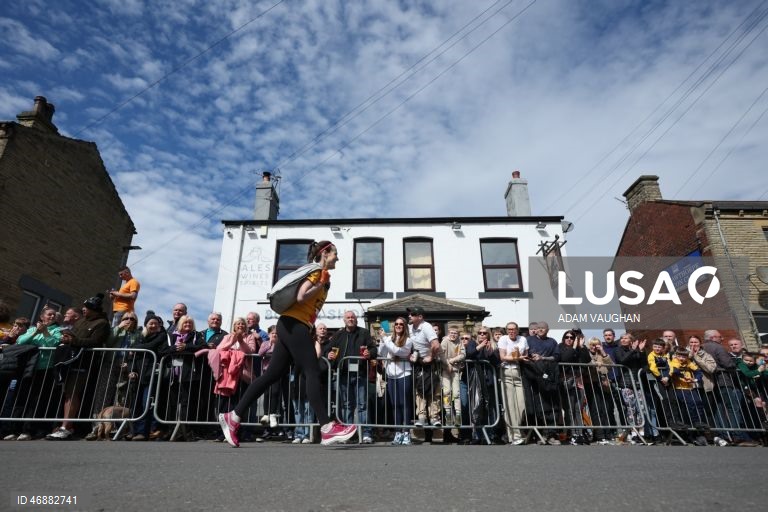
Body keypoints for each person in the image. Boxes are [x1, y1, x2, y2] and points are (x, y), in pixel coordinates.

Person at [219, 240, 358, 447]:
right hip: (294, 325)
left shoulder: (322, 275)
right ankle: (327, 427)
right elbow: (302, 296)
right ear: (324, 253)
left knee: (272, 375)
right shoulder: (317, 272)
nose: (337, 258)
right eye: (335, 253)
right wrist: (320, 283)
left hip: (290, 324)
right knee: (312, 371)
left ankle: (234, 416)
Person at [47, 294, 110, 440]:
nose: (84, 309)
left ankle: (66, 427)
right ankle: (66, 425)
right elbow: (74, 336)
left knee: (73, 393)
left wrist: (73, 340)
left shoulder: (102, 323)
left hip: (84, 362)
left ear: (94, 310)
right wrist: (67, 337)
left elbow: (95, 342)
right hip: (71, 360)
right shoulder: (81, 321)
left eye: (86, 308)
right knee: (68, 394)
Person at [84, 312, 144, 440]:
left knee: (122, 397)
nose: (129, 320)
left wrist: (129, 365)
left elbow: (138, 351)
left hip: (126, 365)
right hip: (110, 363)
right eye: (126, 318)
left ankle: (117, 429)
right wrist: (119, 328)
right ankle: (96, 428)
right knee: (103, 395)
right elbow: (108, 342)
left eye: (132, 318)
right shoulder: (115, 330)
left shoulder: (138, 334)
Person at [6, 307, 61, 440]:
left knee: (35, 400)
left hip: (44, 369)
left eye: (54, 315)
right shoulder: (31, 329)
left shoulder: (57, 330)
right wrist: (36, 332)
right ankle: (13, 429)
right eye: (49, 314)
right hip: (27, 368)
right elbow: (21, 341)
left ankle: (27, 430)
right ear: (42, 317)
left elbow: (54, 343)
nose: (52, 317)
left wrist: (46, 333)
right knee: (21, 398)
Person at [325, 310, 378, 443]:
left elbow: (374, 349)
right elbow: (328, 349)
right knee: (347, 405)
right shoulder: (338, 334)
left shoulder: (364, 333)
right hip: (344, 375)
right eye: (348, 317)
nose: (350, 319)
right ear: (344, 320)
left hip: (360, 374)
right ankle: (347, 433)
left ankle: (366, 433)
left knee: (362, 405)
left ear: (356, 320)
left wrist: (369, 353)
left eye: (352, 317)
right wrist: (329, 355)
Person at [378, 316, 414, 445]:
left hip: (404, 374)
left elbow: (398, 351)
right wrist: (383, 340)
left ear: (404, 327)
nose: (398, 326)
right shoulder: (389, 339)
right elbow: (381, 353)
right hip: (391, 375)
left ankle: (406, 433)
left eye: (401, 324)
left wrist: (385, 339)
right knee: (395, 405)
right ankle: (398, 432)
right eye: (396, 324)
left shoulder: (408, 340)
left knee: (405, 404)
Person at [406, 306, 440, 429]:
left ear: (420, 317)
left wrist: (431, 357)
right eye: (409, 314)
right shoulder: (409, 327)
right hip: (418, 362)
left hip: (429, 363)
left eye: (412, 314)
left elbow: (436, 345)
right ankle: (421, 417)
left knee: (432, 390)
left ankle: (434, 417)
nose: (409, 316)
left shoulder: (426, 326)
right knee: (419, 390)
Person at [497, 321, 528, 445]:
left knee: (521, 405)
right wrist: (516, 357)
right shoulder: (503, 339)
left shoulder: (523, 339)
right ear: (506, 330)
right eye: (509, 329)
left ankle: (516, 432)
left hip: (519, 372)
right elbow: (502, 356)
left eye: (514, 329)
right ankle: (515, 436)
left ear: (517, 329)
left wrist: (519, 357)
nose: (511, 331)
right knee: (510, 406)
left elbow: (525, 355)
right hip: (506, 372)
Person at [558, 330, 591, 445]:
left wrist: (581, 347)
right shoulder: (560, 347)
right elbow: (565, 358)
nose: (569, 339)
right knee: (569, 409)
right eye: (567, 337)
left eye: (572, 337)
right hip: (566, 381)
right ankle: (572, 434)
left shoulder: (578, 348)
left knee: (578, 408)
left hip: (578, 381)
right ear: (563, 338)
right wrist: (574, 347)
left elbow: (586, 360)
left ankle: (580, 433)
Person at [439, 326, 465, 443]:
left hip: (455, 370)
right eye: (451, 333)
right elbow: (441, 354)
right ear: (448, 333)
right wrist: (447, 363)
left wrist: (452, 361)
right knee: (446, 392)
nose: (453, 335)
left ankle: (458, 415)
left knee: (457, 393)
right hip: (445, 370)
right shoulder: (445, 341)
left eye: (455, 333)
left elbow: (463, 355)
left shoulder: (460, 342)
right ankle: (448, 414)